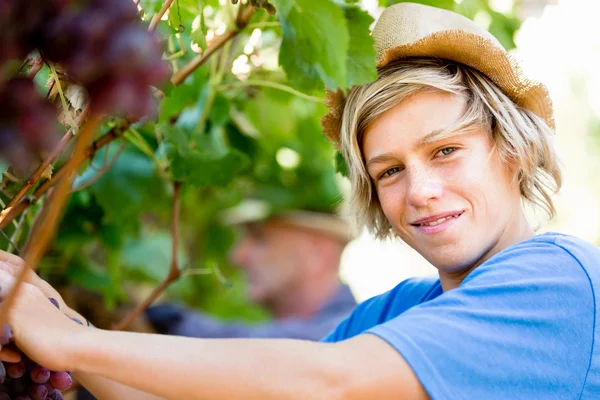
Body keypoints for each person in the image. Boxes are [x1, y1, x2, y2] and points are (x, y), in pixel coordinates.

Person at [0, 3, 599, 399]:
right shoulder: (395, 314)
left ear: (513, 150)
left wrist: (68, 341)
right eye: (388, 170)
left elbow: (327, 383)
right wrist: (52, 321)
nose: (419, 190)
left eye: (444, 151)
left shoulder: (559, 283)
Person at [144, 204, 358, 340]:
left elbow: (264, 353)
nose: (237, 256)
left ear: (317, 252)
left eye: (259, 239)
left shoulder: (350, 337)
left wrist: (170, 320)